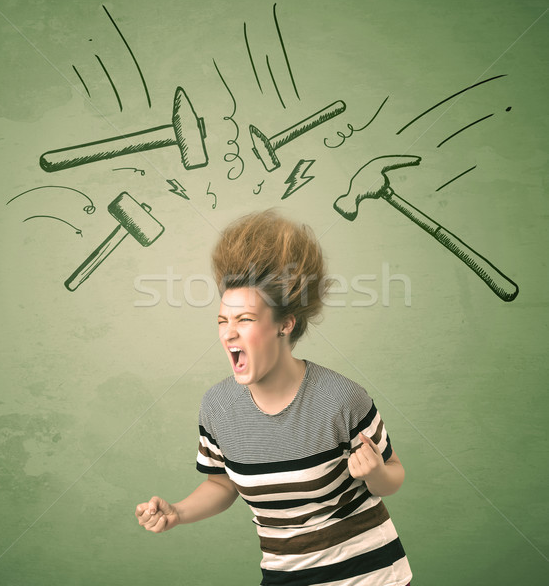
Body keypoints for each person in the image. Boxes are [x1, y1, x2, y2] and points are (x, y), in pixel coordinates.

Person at [135, 209, 412, 586]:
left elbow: (393, 475)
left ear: (285, 324)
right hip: (284, 577)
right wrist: (178, 513)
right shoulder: (217, 408)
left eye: (244, 320)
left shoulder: (342, 399)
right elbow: (222, 483)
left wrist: (376, 473)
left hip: (370, 577)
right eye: (222, 321)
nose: (228, 334)